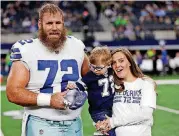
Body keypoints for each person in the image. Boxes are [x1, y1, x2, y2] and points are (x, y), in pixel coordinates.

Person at [6, 3, 89, 136]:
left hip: (74, 123)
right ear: (40, 24)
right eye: (49, 23)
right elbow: (12, 92)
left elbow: (91, 78)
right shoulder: (27, 49)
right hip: (40, 122)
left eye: (58, 23)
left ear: (63, 24)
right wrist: (49, 100)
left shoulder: (76, 46)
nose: (54, 28)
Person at [96, 48, 157, 136]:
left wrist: (113, 122)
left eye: (121, 61)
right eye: (114, 63)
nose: (117, 65)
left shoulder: (146, 83)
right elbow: (105, 113)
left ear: (129, 62)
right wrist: (103, 125)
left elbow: (145, 114)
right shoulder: (113, 87)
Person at [67, 46, 116, 136]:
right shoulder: (90, 76)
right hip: (98, 110)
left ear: (108, 64)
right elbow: (81, 85)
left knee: (117, 130)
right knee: (110, 131)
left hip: (113, 108)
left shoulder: (112, 71)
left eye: (98, 68)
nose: (95, 70)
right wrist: (73, 86)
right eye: (92, 67)